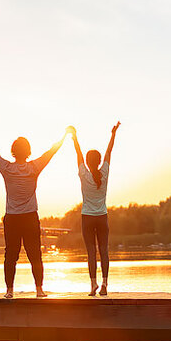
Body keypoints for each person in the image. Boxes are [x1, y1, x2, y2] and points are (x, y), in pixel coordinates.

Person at [0, 114, 67, 298]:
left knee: (11, 255)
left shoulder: (6, 168)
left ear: (13, 151)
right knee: (35, 254)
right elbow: (51, 152)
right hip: (30, 217)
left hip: (13, 218)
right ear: (28, 151)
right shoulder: (34, 167)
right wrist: (65, 136)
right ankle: (39, 290)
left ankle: (9, 291)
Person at [69, 122, 120, 296]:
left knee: (91, 252)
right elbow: (109, 152)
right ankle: (105, 284)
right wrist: (113, 134)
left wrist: (74, 137)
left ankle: (93, 285)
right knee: (104, 250)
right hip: (102, 217)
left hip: (87, 218)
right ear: (99, 161)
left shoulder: (83, 173)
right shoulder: (104, 172)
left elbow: (78, 154)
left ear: (87, 161)